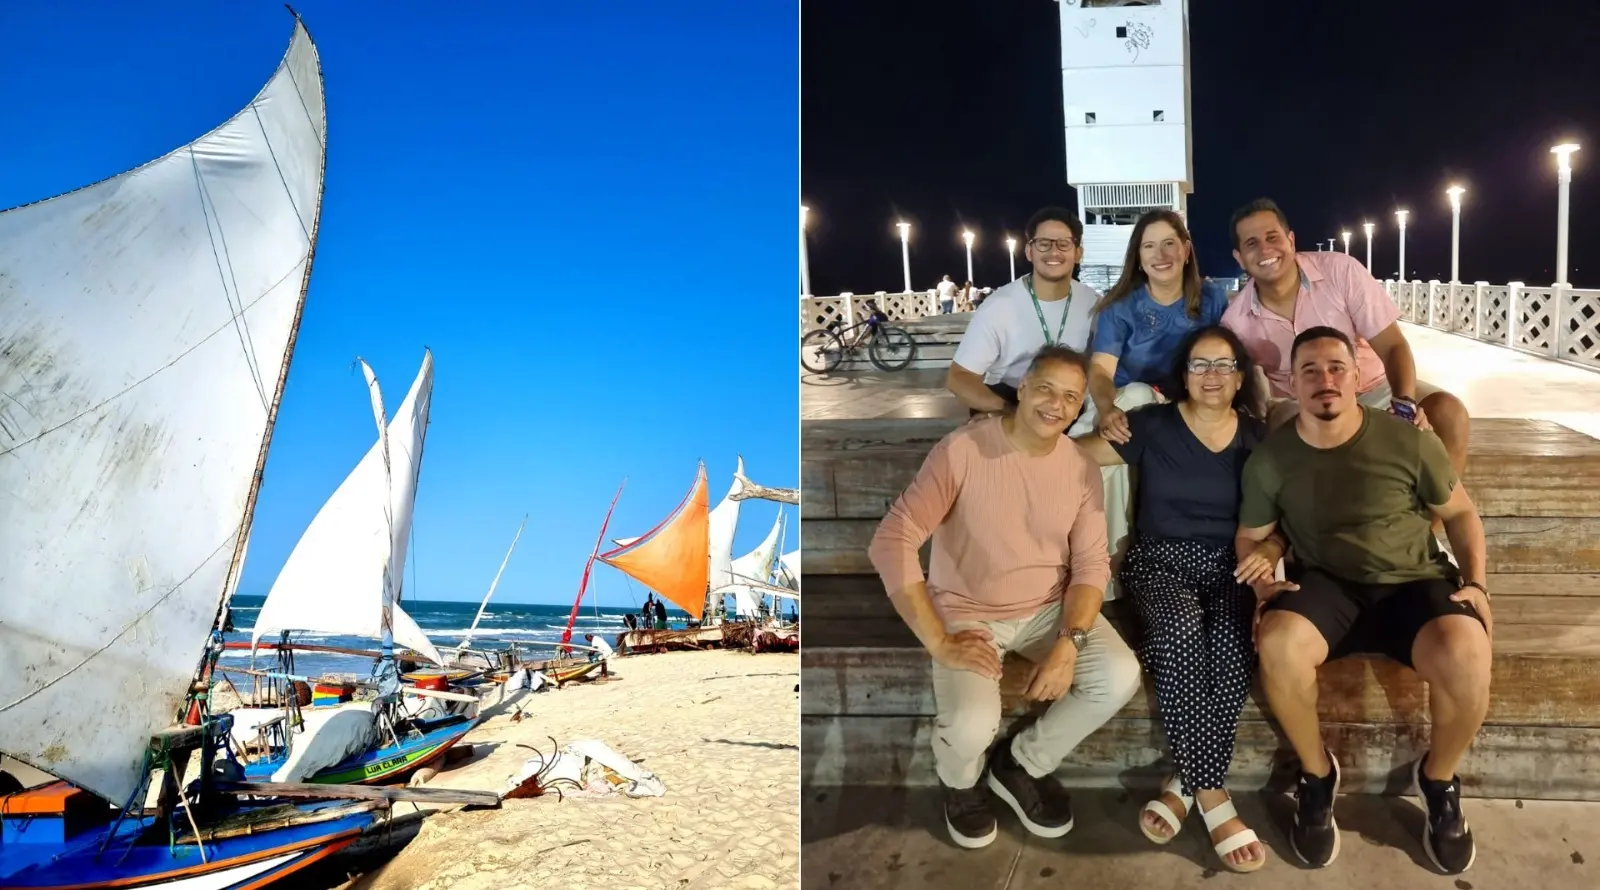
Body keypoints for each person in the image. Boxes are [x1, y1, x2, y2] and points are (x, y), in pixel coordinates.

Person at [1237, 325, 1491, 875]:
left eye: (1335, 368)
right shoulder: (1272, 459)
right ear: (1293, 385)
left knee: (1467, 650)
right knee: (1276, 644)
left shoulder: (1408, 440)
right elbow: (1252, 534)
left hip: (1411, 580)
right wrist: (1262, 582)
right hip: (1326, 584)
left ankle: (1439, 779)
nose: (1324, 380)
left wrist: (1475, 581)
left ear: (1357, 378)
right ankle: (1316, 774)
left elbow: (1461, 514)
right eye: (1309, 371)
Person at [868, 345, 1142, 849]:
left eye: (1070, 397)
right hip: (968, 611)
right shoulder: (964, 450)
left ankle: (1021, 762)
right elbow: (893, 539)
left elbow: (1089, 564)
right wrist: (939, 641)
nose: (1055, 405)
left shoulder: (1079, 467)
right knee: (972, 723)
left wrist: (1070, 642)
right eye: (1045, 389)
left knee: (1118, 675)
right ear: (1021, 388)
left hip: (1047, 608)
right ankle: (961, 782)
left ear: (1081, 406)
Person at [1074, 325, 1276, 872]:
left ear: (1240, 378)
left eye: (1224, 365)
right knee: (1182, 626)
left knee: (1234, 651)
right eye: (1200, 365)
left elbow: (1283, 510)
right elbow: (1073, 456)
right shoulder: (1150, 425)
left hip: (1230, 565)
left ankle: (1184, 782)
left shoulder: (1257, 437)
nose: (1212, 375)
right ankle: (1213, 796)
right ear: (1183, 376)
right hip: (1158, 561)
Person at [1220, 198, 1471, 481]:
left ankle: (1436, 521)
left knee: (1450, 414)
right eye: (1251, 243)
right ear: (1239, 257)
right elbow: (1243, 391)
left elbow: (1392, 347)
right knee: (1292, 430)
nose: (1265, 249)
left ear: (1291, 240)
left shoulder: (1341, 272)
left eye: (1272, 237)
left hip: (1375, 386)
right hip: (1301, 403)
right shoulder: (1236, 321)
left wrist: (1404, 406)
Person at [947, 207, 1112, 436]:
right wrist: (1009, 411)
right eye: (1044, 243)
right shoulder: (999, 306)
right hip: (1012, 398)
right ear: (1029, 251)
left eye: (1063, 243)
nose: (1053, 251)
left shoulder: (1095, 304)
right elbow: (959, 378)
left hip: (1069, 404)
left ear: (1078, 253)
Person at [1087, 209, 1230, 444]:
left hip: (1188, 400)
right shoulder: (1120, 306)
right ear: (1139, 258)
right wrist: (1106, 409)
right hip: (1122, 397)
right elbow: (1101, 370)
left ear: (1186, 250)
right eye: (1149, 246)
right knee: (1138, 396)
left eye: (1169, 243)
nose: (1160, 255)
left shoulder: (1212, 298)